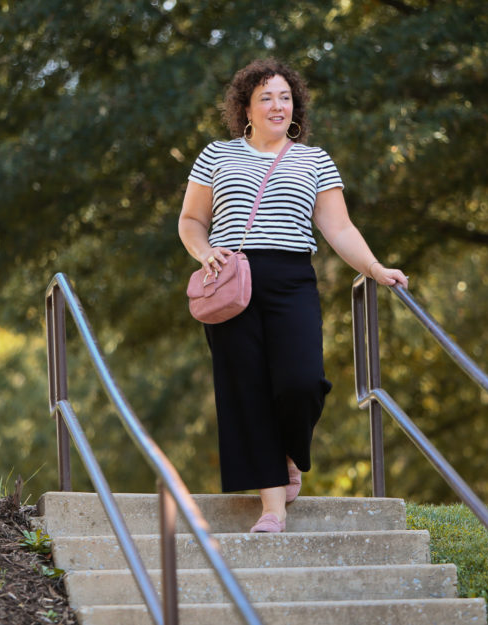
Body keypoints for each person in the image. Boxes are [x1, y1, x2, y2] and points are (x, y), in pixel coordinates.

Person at [178, 59, 408, 533]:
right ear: (246, 107)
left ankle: (289, 452)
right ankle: (272, 508)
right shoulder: (217, 155)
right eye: (265, 97)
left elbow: (339, 227)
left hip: (291, 280)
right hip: (230, 281)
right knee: (248, 392)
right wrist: (204, 254)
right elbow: (191, 221)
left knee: (301, 382)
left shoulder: (314, 161)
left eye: (284, 97)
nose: (276, 105)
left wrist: (375, 268)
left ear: (295, 106)